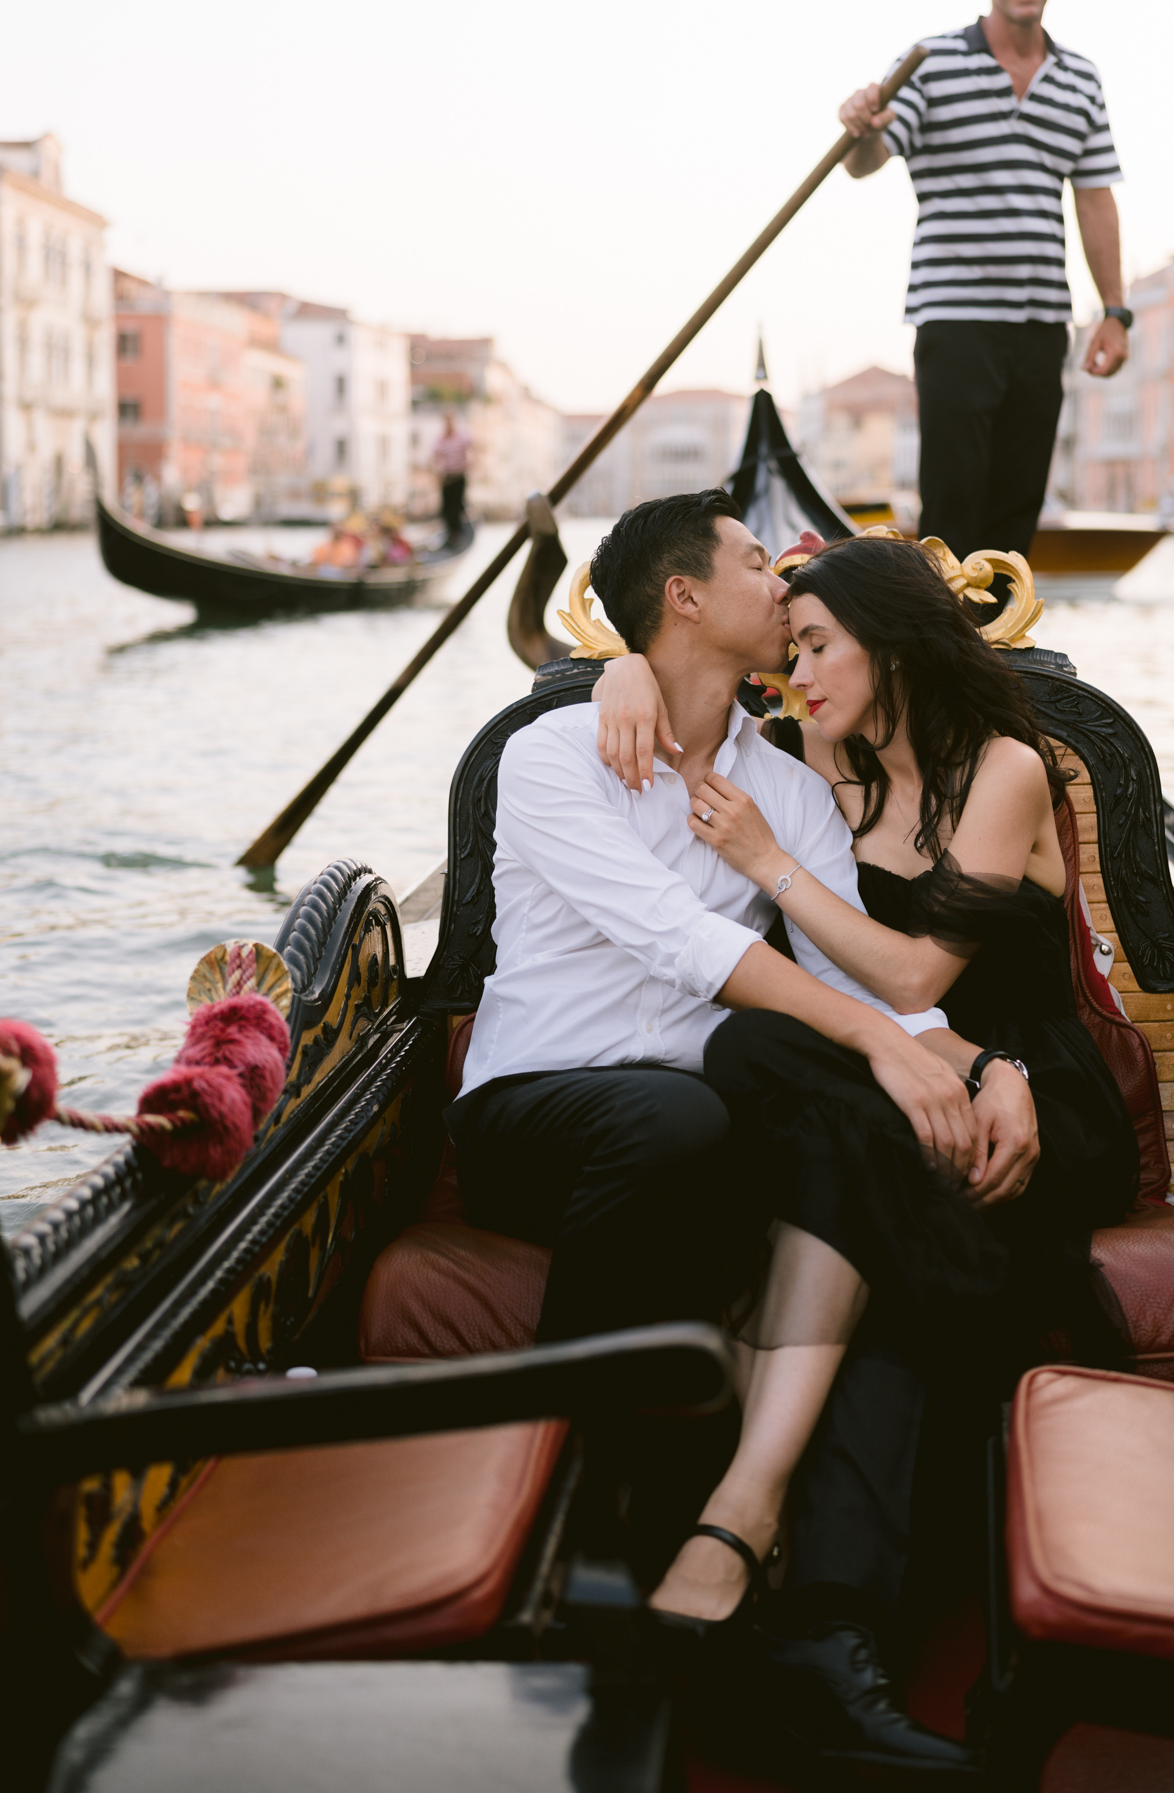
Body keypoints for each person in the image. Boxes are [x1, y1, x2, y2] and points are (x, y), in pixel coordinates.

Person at [447, 489, 1007, 1774]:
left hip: (698, 1121)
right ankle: (570, 1537)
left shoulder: (786, 790)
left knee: (868, 1163)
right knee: (689, 1116)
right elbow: (679, 940)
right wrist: (870, 1042)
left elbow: (857, 982)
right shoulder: (552, 757)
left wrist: (983, 1068)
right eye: (760, 561)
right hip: (541, 1113)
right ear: (683, 598)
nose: (784, 577)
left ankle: (809, 1610)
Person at [594, 532, 1138, 1767]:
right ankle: (812, 1615)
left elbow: (915, 976)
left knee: (840, 1168)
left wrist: (768, 865)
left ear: (892, 642)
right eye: (789, 656)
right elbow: (686, 705)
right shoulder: (809, 762)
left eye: (820, 648)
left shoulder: (1000, 769)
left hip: (1020, 1090)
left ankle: (798, 1590)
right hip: (888, 1086)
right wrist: (617, 672)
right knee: (744, 1059)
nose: (796, 679)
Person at [839, 0, 1132, 561]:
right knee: (954, 506)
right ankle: (941, 650)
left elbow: (1094, 199)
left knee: (1016, 508)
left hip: (1041, 326)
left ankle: (999, 651)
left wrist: (1115, 312)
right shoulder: (929, 64)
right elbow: (865, 162)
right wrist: (857, 127)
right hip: (956, 318)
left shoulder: (1081, 80)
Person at [430, 411, 471, 539]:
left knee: (457, 505)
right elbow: (434, 458)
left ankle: (457, 532)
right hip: (447, 478)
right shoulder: (441, 440)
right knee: (447, 507)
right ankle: (450, 533)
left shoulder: (462, 437)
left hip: (459, 476)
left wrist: (469, 463)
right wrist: (438, 475)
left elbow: (472, 451)